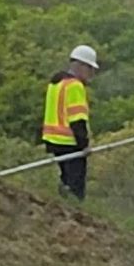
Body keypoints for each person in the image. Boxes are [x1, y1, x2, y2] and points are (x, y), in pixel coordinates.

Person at [41, 45, 99, 203]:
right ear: (80, 65)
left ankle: (63, 204)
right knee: (75, 188)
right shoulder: (74, 86)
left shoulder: (55, 83)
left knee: (65, 180)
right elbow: (77, 119)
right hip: (70, 142)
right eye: (90, 69)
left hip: (54, 141)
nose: (92, 74)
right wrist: (84, 145)